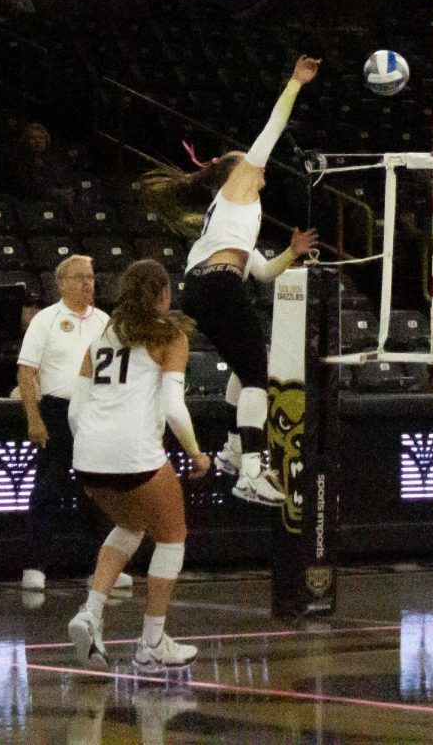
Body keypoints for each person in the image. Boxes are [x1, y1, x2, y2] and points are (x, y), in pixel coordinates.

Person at [139, 55, 321, 506]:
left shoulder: (236, 215)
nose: (258, 164)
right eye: (247, 161)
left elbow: (260, 270)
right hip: (217, 285)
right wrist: (295, 84)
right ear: (235, 170)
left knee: (247, 365)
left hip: (207, 285)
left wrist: (291, 253)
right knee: (260, 372)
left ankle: (233, 449)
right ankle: (253, 470)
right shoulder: (236, 186)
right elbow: (271, 131)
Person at [66, 259, 211, 673]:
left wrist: (96, 447)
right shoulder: (171, 336)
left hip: (89, 455)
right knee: (171, 537)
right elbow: (174, 409)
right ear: (165, 294)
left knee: (130, 525)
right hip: (135, 453)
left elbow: (76, 411)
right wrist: (196, 453)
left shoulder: (102, 337)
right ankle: (151, 643)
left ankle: (91, 612)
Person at [17, 254, 120, 592]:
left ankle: (99, 570)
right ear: (61, 283)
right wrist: (34, 418)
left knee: (97, 492)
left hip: (94, 412)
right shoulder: (45, 320)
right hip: (57, 411)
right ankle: (35, 565)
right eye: (79, 277)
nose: (87, 283)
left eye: (90, 276)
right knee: (48, 488)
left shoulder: (104, 321)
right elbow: (27, 371)